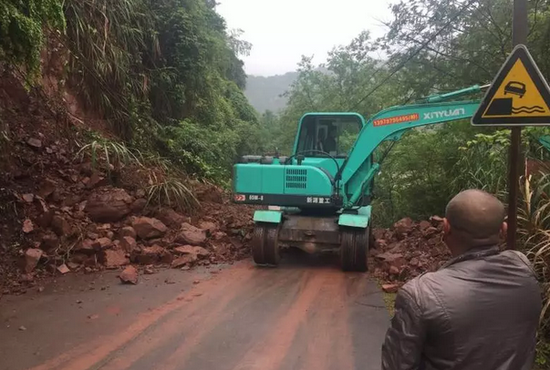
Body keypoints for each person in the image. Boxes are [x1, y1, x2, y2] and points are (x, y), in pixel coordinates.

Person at [381, 189, 542, 370]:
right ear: (503, 229)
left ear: (446, 227)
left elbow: (396, 365)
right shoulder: (525, 268)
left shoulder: (420, 294)